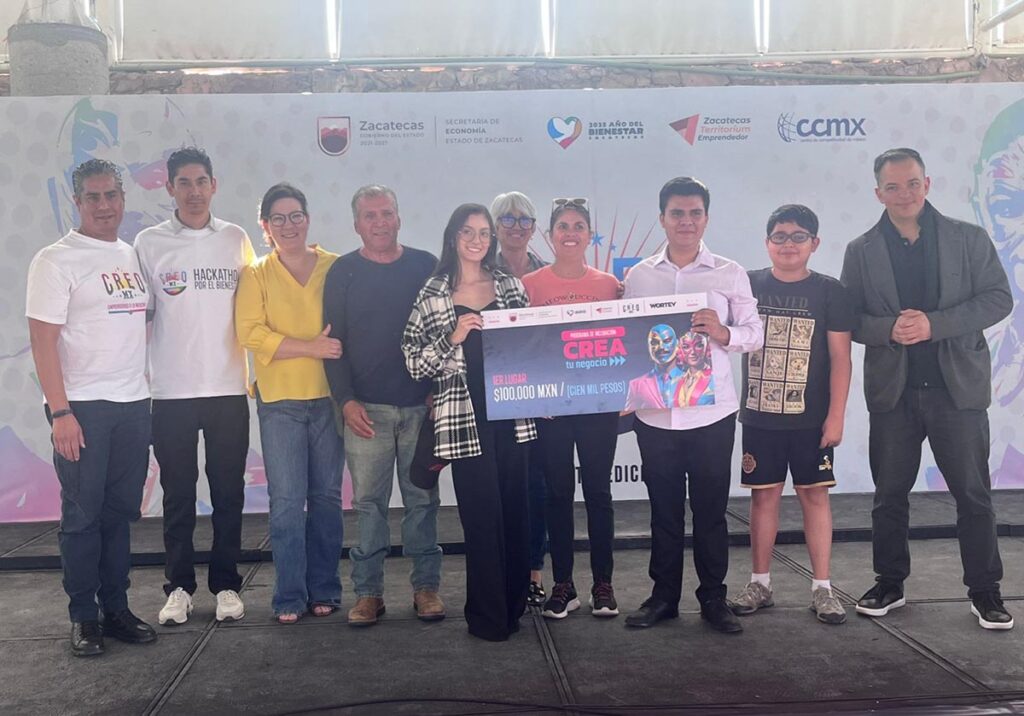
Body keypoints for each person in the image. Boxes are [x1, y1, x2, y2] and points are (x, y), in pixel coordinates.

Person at [841, 148, 1014, 630]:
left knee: (973, 496)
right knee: (888, 496)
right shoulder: (860, 250)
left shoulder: (967, 238)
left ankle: (985, 591)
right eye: (893, 187)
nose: (905, 194)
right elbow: (849, 319)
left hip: (957, 390)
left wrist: (934, 324)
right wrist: (888, 330)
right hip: (893, 393)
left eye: (913, 183)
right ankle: (889, 582)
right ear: (878, 193)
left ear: (928, 184)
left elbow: (998, 299)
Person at [26, 159, 157, 657]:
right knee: (82, 517)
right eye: (93, 197)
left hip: (132, 404)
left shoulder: (130, 254)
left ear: (123, 198)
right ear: (77, 201)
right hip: (80, 408)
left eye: (111, 195)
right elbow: (42, 341)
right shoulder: (55, 260)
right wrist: (61, 413)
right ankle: (84, 616)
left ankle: (116, 609)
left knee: (119, 515)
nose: (104, 206)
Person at [622, 177, 763, 633]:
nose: (686, 221)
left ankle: (713, 599)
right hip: (655, 414)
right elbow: (630, 343)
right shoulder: (639, 276)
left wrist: (722, 333)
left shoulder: (729, 272)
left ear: (706, 218)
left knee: (710, 513)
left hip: (711, 415)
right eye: (677, 213)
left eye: (695, 213)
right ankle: (663, 598)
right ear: (662, 218)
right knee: (663, 512)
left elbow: (755, 333)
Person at [402, 203, 536, 641]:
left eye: (483, 233)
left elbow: (533, 346)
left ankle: (514, 607)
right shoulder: (434, 292)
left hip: (512, 415)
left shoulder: (510, 285)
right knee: (481, 518)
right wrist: (452, 337)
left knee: (514, 512)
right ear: (453, 236)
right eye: (467, 232)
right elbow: (414, 363)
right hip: (464, 420)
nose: (477, 240)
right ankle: (487, 616)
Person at [135, 147, 253, 626]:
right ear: (170, 188)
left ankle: (226, 584)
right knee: (178, 496)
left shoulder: (236, 239)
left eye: (201, 181)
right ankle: (179, 587)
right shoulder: (149, 243)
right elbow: (137, 318)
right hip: (171, 393)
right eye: (183, 183)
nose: (194, 191)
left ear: (214, 185)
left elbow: (255, 308)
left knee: (228, 494)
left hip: (228, 389)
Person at [322, 185, 444, 627]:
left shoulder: (426, 265)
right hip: (365, 413)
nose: (379, 222)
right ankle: (368, 594)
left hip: (420, 410)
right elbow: (332, 343)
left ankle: (426, 588)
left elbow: (442, 333)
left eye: (386, 213)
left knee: (422, 503)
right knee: (369, 506)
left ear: (399, 218)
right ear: (357, 224)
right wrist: (345, 401)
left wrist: (437, 389)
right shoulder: (343, 272)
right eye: (370, 215)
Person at [731, 204, 855, 626]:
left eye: (798, 236)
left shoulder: (831, 291)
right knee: (763, 497)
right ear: (767, 242)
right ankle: (760, 583)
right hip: (760, 417)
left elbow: (841, 358)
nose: (788, 244)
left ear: (814, 243)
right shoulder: (747, 284)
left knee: (815, 496)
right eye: (780, 236)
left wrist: (836, 416)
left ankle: (823, 588)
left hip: (811, 420)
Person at [235, 183, 344, 624]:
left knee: (327, 500)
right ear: (265, 226)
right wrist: (310, 347)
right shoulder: (256, 274)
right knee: (285, 503)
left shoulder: (336, 267)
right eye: (278, 218)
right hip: (279, 402)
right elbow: (250, 333)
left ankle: (325, 589)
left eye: (296, 215)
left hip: (329, 401)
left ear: (308, 218)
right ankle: (288, 596)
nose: (288, 225)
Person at [521, 198, 621, 620]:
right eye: (563, 226)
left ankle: (603, 584)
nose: (570, 233)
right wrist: (532, 395)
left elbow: (623, 340)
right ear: (550, 235)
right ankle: (563, 584)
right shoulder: (529, 285)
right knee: (558, 494)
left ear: (589, 235)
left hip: (599, 406)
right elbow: (521, 347)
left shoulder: (609, 285)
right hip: (552, 408)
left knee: (598, 492)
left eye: (579, 226)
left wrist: (625, 390)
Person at [491, 191, 549, 608]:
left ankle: (533, 574)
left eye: (523, 219)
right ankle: (500, 572)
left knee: (536, 488)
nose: (516, 226)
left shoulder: (549, 274)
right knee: (496, 488)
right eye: (507, 219)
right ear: (495, 226)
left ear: (534, 227)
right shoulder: (477, 273)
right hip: (494, 398)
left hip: (542, 400)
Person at [625, 324, 684, 411]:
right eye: (654, 343)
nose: (661, 347)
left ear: (677, 343)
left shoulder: (694, 380)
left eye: (667, 341)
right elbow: (628, 416)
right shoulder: (636, 385)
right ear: (649, 347)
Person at [675, 331, 716, 407]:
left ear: (707, 348)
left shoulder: (715, 377)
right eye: (686, 347)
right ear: (680, 350)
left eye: (699, 346)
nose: (693, 352)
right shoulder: (677, 381)